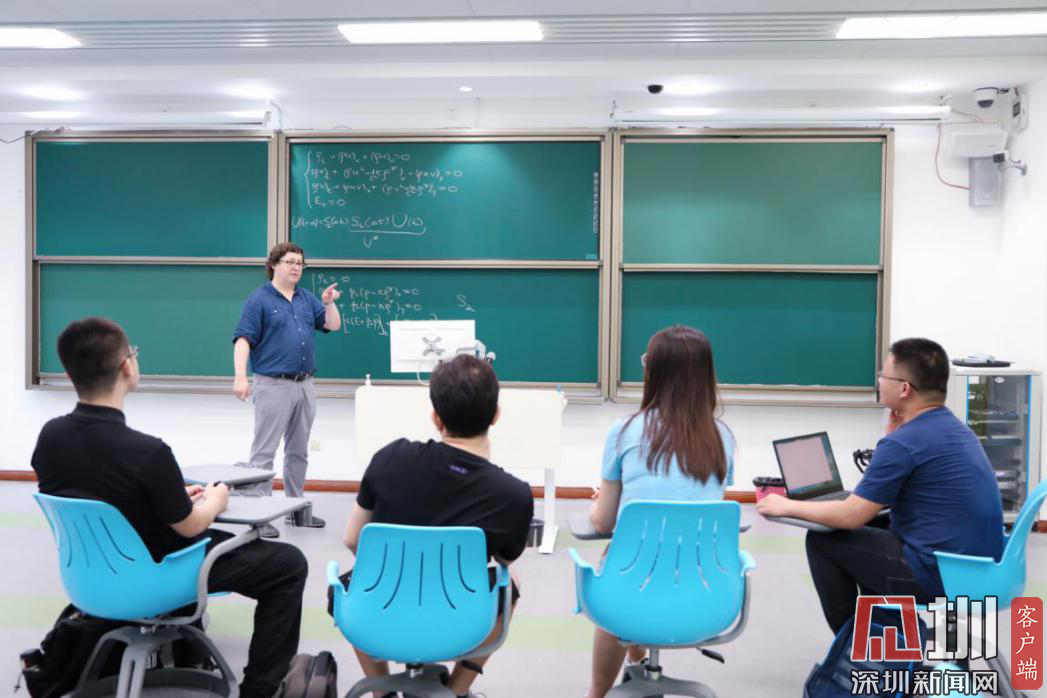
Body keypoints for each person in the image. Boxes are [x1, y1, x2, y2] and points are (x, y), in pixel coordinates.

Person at [32, 317, 308, 698]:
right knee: (288, 565)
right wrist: (215, 499)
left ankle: (186, 651)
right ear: (127, 367)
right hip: (158, 574)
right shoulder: (148, 452)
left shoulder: (49, 438)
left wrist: (171, 496)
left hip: (90, 579)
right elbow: (191, 526)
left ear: (68, 373)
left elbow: (102, 493)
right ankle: (258, 691)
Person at [756, 337, 1004, 634]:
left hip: (939, 576)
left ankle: (854, 646)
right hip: (981, 570)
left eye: (883, 375)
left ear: (904, 388)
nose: (879, 381)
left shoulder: (904, 443)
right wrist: (890, 439)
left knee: (824, 541)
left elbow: (851, 516)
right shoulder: (954, 429)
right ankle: (889, 641)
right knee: (872, 533)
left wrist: (787, 505)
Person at [340, 354, 533, 698]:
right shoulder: (512, 495)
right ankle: (456, 690)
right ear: (495, 415)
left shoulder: (390, 458)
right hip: (461, 620)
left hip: (380, 611)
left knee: (350, 582)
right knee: (511, 582)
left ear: (436, 417)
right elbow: (505, 560)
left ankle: (382, 692)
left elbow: (352, 539)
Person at [587, 325, 735, 698]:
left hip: (633, 586)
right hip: (705, 591)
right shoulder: (723, 437)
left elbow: (603, 521)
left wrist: (606, 502)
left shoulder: (624, 431)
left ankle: (596, 693)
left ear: (653, 372)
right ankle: (638, 663)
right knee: (640, 559)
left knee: (617, 566)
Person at [232, 242, 341, 538]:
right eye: (290, 262)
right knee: (264, 452)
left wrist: (329, 303)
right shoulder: (259, 299)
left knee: (298, 451)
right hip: (272, 384)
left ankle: (296, 510)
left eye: (300, 263)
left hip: (305, 384)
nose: (296, 267)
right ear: (274, 265)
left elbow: (332, 325)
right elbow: (243, 339)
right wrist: (240, 377)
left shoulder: (306, 299)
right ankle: (260, 515)